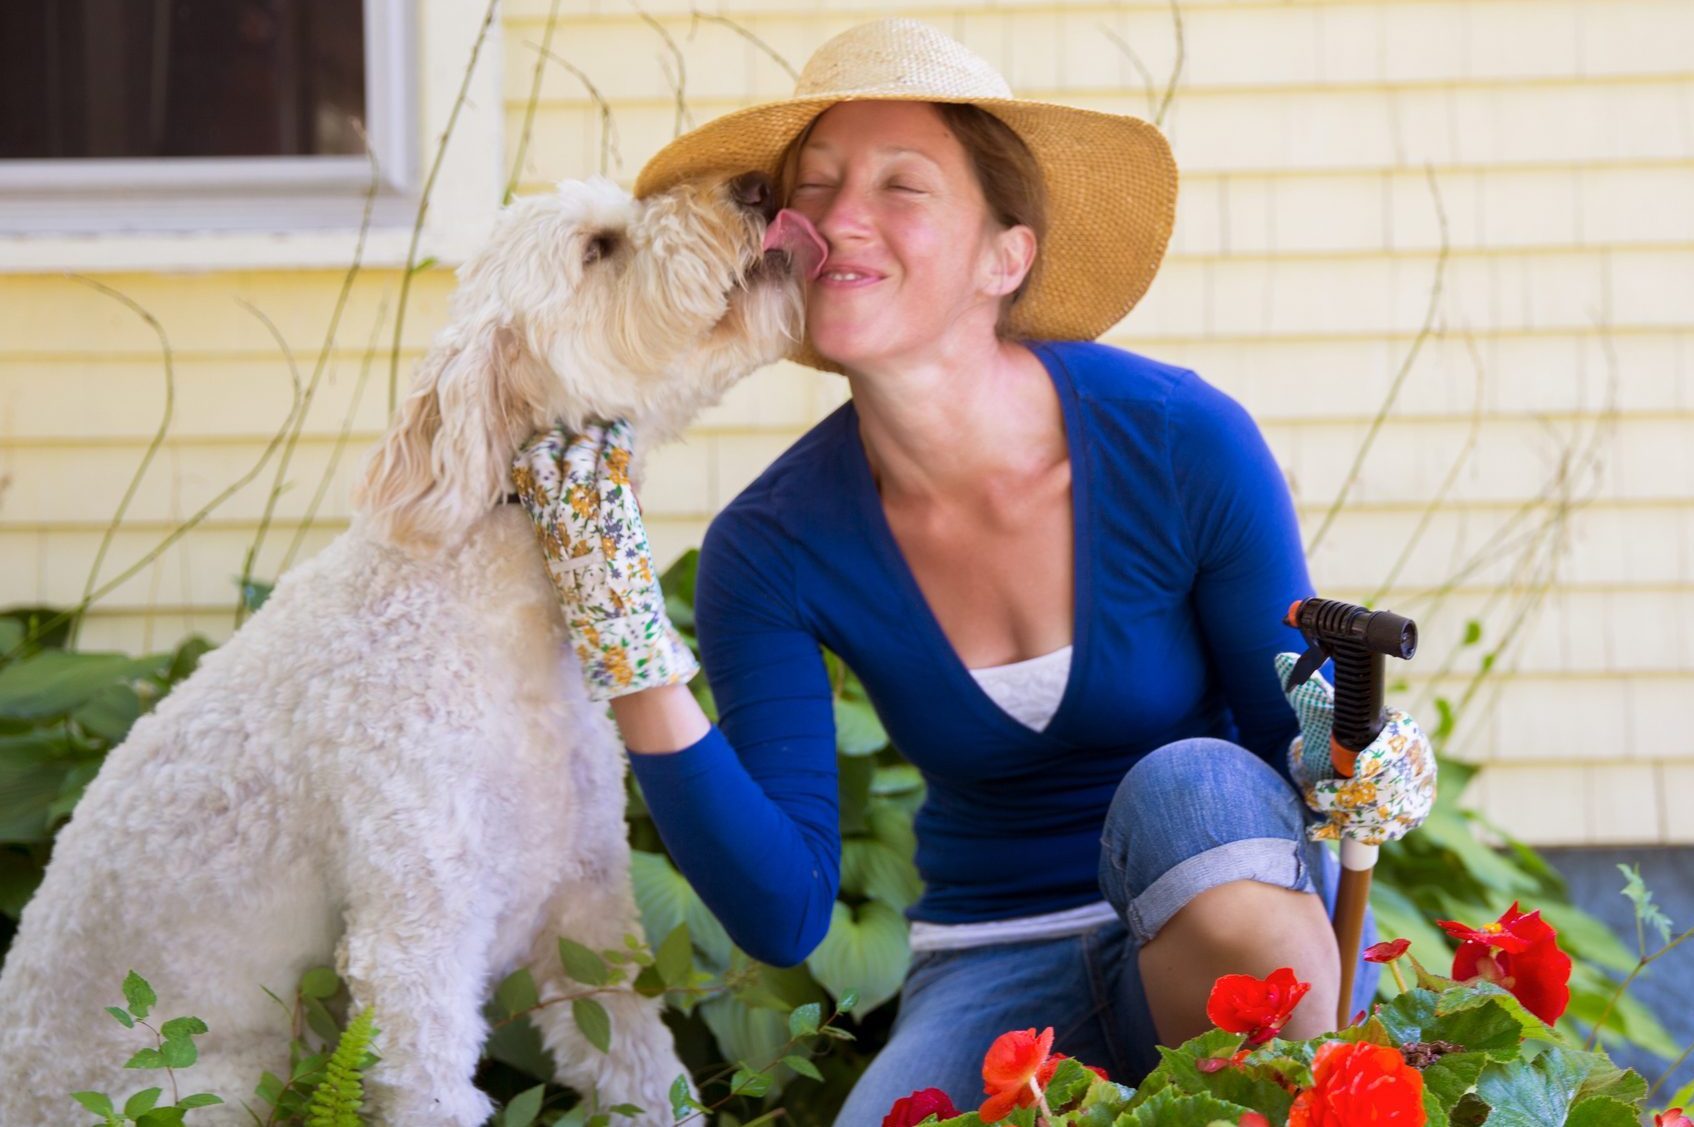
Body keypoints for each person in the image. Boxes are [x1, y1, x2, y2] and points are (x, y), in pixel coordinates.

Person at [512, 19, 1437, 1123]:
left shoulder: (1181, 440)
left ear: (1006, 254)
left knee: (1183, 780)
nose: (841, 217)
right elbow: (784, 911)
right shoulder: (771, 542)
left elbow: (1289, 725)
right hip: (992, 965)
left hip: (1221, 905)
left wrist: (1348, 744)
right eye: (816, 186)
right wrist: (629, 648)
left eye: (901, 185)